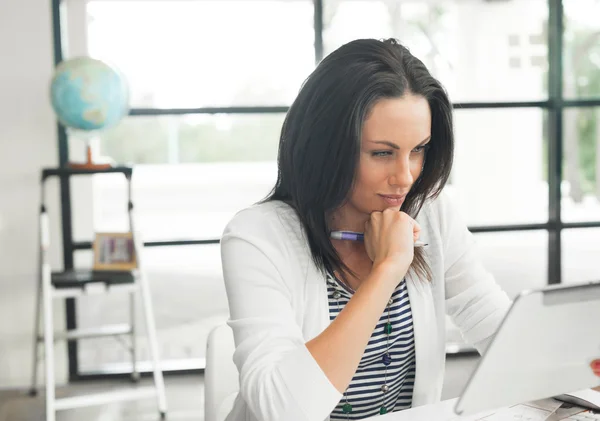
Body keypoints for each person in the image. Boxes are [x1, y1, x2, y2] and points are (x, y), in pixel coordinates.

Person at [219, 38, 600, 421]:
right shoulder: (257, 237)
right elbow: (282, 411)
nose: (405, 177)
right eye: (382, 153)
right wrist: (387, 270)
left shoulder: (431, 213)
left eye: (418, 149)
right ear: (325, 148)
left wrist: (579, 369)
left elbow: (484, 312)